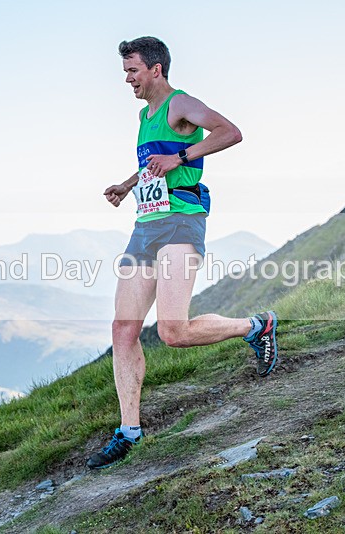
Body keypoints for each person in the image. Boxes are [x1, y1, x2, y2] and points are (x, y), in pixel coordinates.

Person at [87, 36, 278, 470]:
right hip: (146, 225)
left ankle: (257, 326)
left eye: (133, 70)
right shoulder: (144, 115)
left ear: (156, 69)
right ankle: (129, 432)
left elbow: (231, 132)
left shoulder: (181, 104)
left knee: (173, 331)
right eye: (125, 72)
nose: (128, 79)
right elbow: (155, 162)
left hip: (182, 222)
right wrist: (127, 184)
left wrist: (185, 156)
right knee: (123, 329)